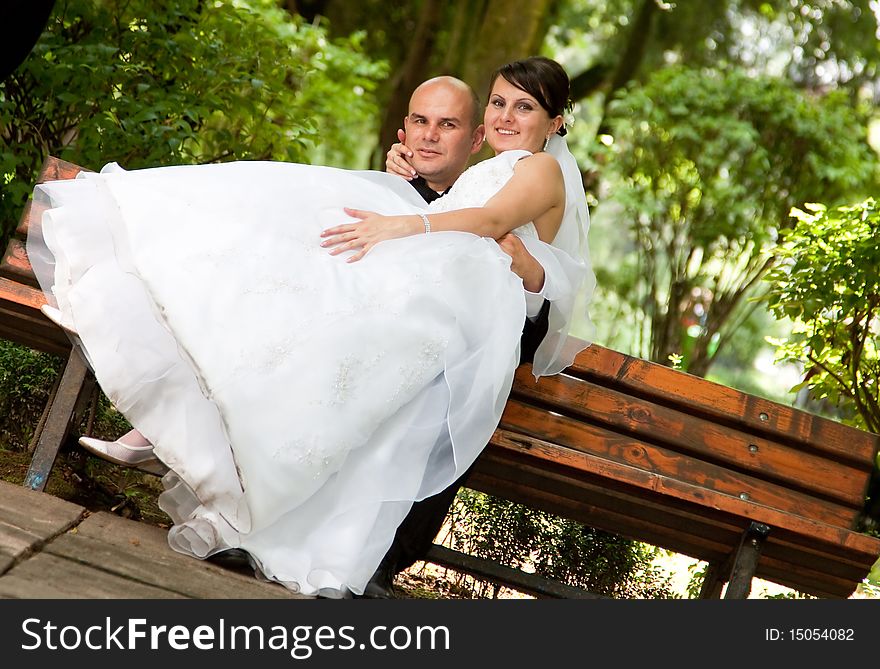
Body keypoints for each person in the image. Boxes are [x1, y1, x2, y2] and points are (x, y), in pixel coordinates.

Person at [29, 56, 595, 598]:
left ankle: (180, 419)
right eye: (498, 102)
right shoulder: (493, 169)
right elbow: (466, 224)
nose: (505, 116)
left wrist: (406, 218)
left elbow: (491, 223)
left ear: (555, 122)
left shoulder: (541, 168)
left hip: (471, 317)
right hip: (451, 299)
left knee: (329, 318)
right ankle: (161, 362)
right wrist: (413, 188)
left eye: (524, 108)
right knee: (305, 268)